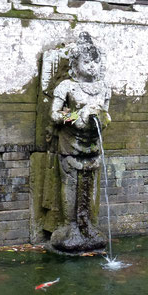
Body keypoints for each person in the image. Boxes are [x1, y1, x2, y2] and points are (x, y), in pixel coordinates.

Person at [48, 32, 111, 253]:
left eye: (95, 61)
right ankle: (71, 225)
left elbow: (106, 115)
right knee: (71, 183)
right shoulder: (67, 86)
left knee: (90, 182)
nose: (92, 66)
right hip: (71, 142)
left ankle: (88, 224)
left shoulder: (103, 87)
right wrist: (75, 117)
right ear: (76, 64)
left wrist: (102, 119)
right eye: (87, 61)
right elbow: (54, 114)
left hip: (93, 143)